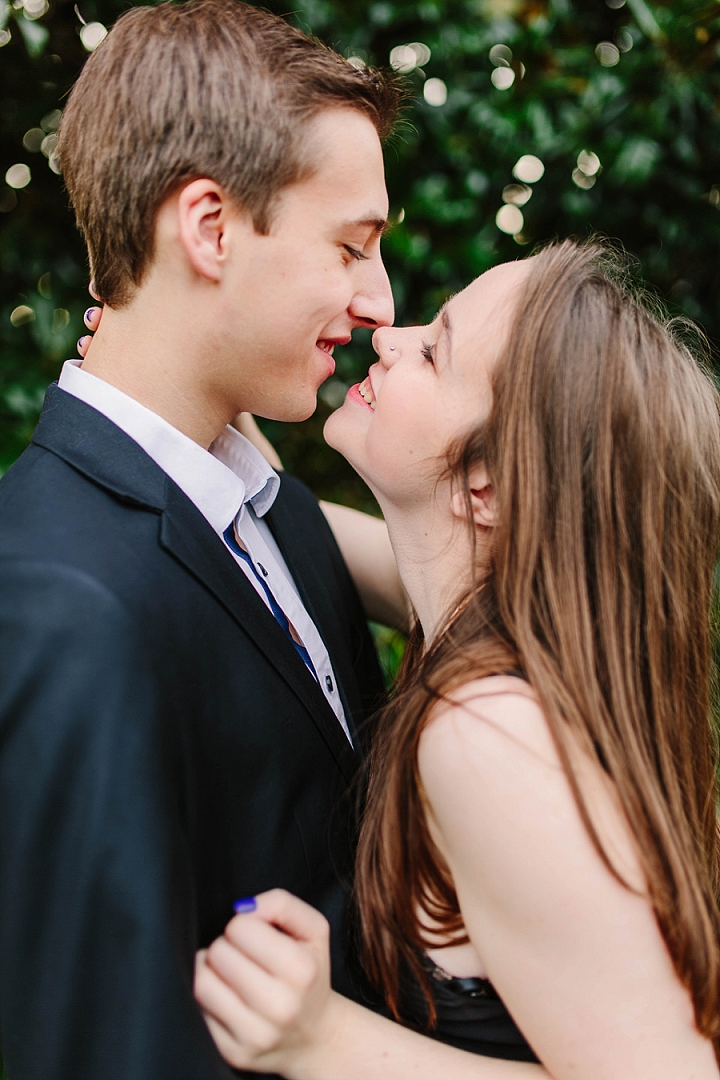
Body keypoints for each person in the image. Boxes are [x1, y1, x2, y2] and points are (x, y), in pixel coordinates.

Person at [192, 240, 720, 1078]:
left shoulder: (489, 734)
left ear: (492, 485)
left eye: (433, 351)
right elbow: (272, 521)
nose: (390, 338)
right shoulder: (485, 625)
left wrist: (324, 1041)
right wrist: (190, 375)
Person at [0, 3, 406, 1077]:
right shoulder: (57, 603)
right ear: (212, 227)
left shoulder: (274, 513)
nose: (380, 300)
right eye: (353, 245)